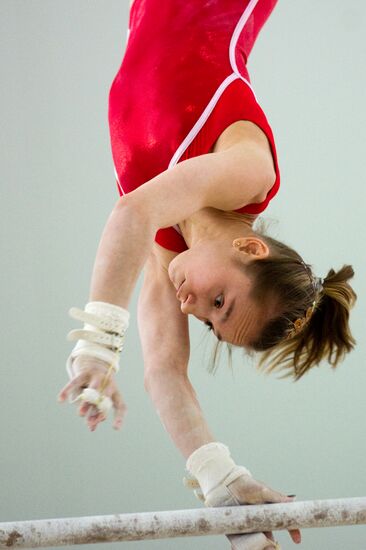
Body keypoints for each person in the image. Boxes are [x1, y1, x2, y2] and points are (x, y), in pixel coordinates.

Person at [59, 1, 356, 548]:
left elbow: (165, 372)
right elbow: (129, 213)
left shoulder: (164, 248)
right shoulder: (249, 172)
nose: (192, 307)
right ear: (250, 245)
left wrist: (224, 484)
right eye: (220, 301)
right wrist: (98, 346)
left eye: (208, 321)